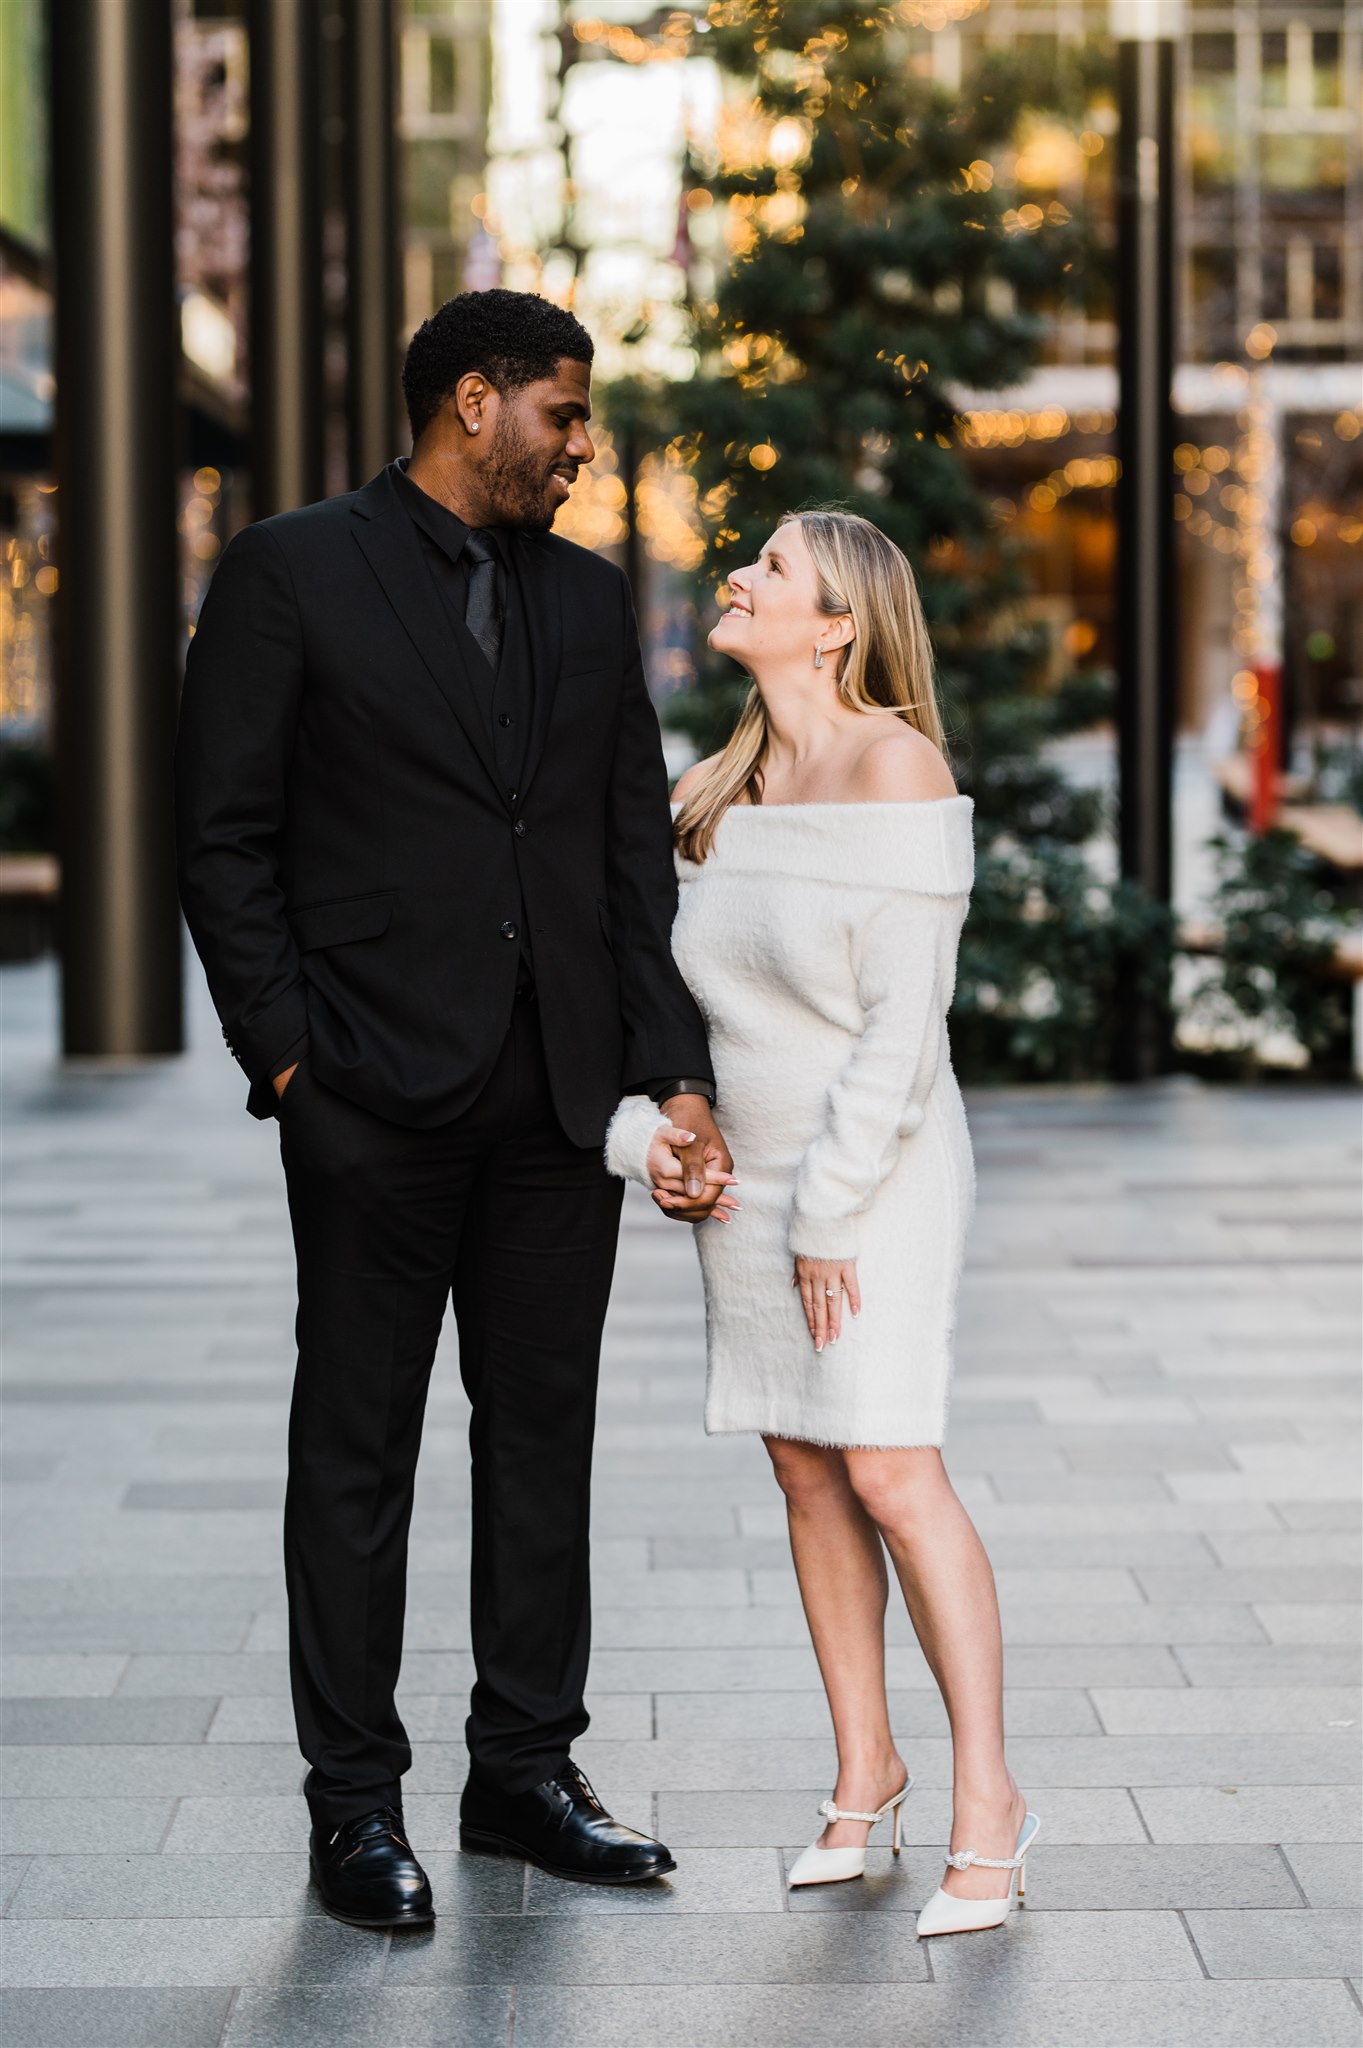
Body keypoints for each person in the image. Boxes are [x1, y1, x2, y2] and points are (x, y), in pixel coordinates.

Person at [174, 289, 731, 1927]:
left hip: (561, 1100)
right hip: (369, 1093)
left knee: (540, 1440)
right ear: (473, 402)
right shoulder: (293, 570)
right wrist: (287, 1058)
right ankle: (355, 1806)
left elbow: (630, 850)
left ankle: (523, 1775)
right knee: (356, 1453)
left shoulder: (584, 596)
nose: (581, 448)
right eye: (562, 415)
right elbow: (224, 838)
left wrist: (671, 1068)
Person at [605, 508, 1039, 1939]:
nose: (740, 576)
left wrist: (830, 1211)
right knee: (804, 1469)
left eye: (772, 567)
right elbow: (661, 1013)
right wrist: (668, 1138)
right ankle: (867, 1772)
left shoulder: (895, 765)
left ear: (839, 621)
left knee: (894, 1470)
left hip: (881, 1170)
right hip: (756, 1172)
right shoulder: (713, 788)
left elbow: (902, 1037)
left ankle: (990, 1802)